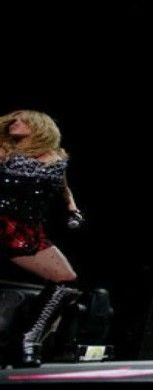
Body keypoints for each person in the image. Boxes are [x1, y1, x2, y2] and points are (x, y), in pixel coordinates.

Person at [0, 110, 82, 367]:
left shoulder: (57, 159)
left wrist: (74, 211)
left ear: (39, 126)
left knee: (65, 278)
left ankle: (29, 340)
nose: (14, 122)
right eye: (13, 119)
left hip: (28, 231)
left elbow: (64, 189)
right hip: (3, 222)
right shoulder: (5, 151)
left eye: (22, 120)